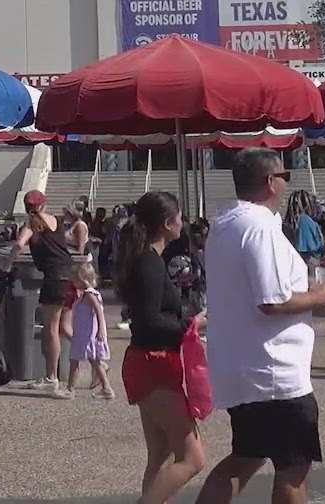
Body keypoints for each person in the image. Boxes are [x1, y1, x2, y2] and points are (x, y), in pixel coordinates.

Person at [196, 148, 325, 504]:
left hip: (243, 363)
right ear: (271, 181)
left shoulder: (226, 224)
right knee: (293, 466)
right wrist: (319, 296)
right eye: (284, 177)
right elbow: (272, 301)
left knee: (245, 457)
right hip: (274, 369)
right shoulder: (258, 227)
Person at [117, 190, 205, 504]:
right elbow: (149, 320)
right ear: (167, 223)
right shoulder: (150, 264)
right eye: (180, 218)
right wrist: (192, 325)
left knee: (160, 455)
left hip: (148, 361)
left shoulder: (147, 260)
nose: (183, 223)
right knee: (192, 458)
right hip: (153, 362)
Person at [6, 190, 75, 395]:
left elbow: (19, 244)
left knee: (51, 329)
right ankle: (98, 359)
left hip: (53, 277)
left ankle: (51, 377)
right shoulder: (56, 220)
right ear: (44, 204)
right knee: (65, 328)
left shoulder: (30, 225)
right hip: (69, 274)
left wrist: (8, 265)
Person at [63, 260, 113, 400]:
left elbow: (98, 311)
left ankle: (71, 389)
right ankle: (105, 388)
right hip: (82, 333)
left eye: (75, 279)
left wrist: (100, 330)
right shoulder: (84, 295)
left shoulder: (90, 295)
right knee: (87, 360)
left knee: (79, 360)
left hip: (88, 334)